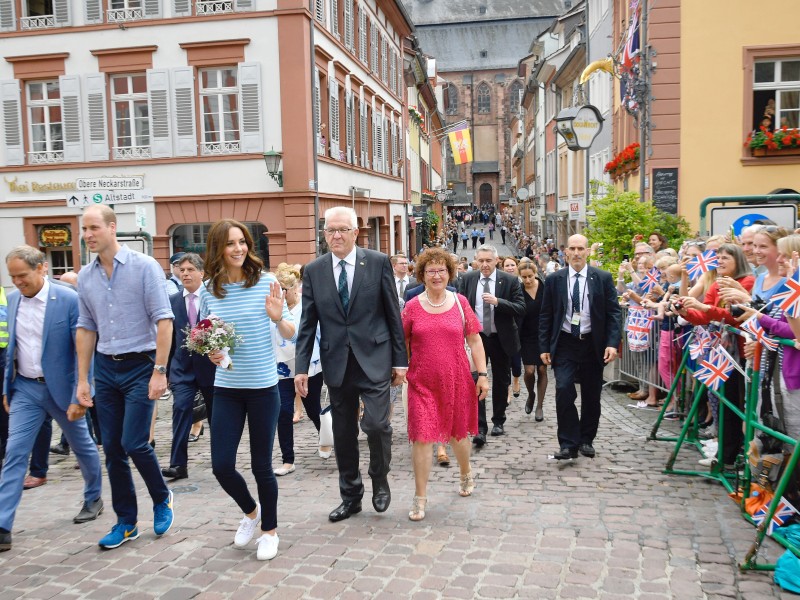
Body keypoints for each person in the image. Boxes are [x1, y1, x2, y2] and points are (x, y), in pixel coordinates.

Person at [295, 206, 407, 523]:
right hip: (337, 364)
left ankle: (379, 477)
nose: (337, 235)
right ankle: (350, 496)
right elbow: (307, 325)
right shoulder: (314, 271)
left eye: (343, 229)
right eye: (331, 230)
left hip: (374, 358)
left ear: (356, 232)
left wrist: (401, 361)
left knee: (375, 424)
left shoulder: (376, 263)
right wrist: (301, 367)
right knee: (343, 434)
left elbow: (392, 315)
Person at [76, 205, 175, 550]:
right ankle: (126, 522)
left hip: (140, 364)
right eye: (84, 229)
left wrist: (159, 371)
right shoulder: (85, 276)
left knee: (134, 442)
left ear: (112, 227)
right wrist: (83, 379)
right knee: (113, 449)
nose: (87, 235)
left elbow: (164, 321)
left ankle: (161, 497)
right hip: (105, 368)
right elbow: (86, 328)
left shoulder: (144, 267)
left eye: (93, 227)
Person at [198, 219, 294, 561]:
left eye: (242, 242)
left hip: (263, 388)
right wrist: (212, 351)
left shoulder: (266, 282)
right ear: (218, 249)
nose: (238, 248)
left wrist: (277, 317)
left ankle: (270, 530)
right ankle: (251, 513)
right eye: (230, 243)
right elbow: (209, 334)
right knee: (221, 465)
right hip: (226, 388)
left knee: (261, 466)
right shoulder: (210, 289)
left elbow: (290, 334)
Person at [0, 246, 104, 553]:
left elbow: (83, 351)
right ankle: (3, 524)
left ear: (41, 268)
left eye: (23, 275)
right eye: (13, 276)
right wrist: (7, 388)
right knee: (16, 453)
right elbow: (11, 348)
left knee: (82, 446)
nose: (18, 282)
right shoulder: (13, 299)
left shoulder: (69, 300)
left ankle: (93, 497)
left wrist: (80, 395)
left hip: (63, 390)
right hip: (26, 389)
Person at [401, 248, 488, 520]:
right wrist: (402, 370)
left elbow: (474, 340)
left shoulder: (460, 302)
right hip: (421, 382)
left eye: (441, 270)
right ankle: (420, 497)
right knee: (422, 438)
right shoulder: (412, 306)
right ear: (422, 275)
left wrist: (483, 375)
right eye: (431, 271)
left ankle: (465, 472)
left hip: (456, 379)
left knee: (458, 435)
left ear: (450, 273)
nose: (436, 275)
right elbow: (402, 342)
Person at [539, 234, 621, 460]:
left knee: (591, 395)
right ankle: (568, 442)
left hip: (592, 343)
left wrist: (612, 343)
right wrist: (544, 346)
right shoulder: (555, 279)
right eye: (572, 248)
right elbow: (546, 314)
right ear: (566, 252)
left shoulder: (602, 278)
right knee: (564, 389)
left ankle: (586, 439)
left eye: (580, 249)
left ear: (587, 251)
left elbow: (614, 312)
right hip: (565, 342)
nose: (576, 253)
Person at [458, 244, 525, 445]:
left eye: (489, 260)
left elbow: (521, 308)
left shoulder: (510, 280)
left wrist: (499, 302)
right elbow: (461, 306)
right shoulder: (468, 279)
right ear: (476, 261)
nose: (485, 265)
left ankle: (498, 420)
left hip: (500, 337)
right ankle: (480, 427)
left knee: (501, 379)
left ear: (497, 261)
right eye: (481, 261)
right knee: (477, 378)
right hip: (477, 337)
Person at [162, 253, 216, 481]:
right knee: (181, 410)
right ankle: (178, 465)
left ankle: (221, 462)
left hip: (210, 368)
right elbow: (168, 338)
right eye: (181, 270)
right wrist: (164, 370)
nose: (185, 273)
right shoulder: (173, 301)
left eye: (190, 269)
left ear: (202, 273)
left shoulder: (213, 298)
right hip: (182, 368)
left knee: (217, 416)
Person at [272, 263, 329, 477]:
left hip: (308, 366)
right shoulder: (271, 306)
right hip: (281, 368)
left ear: (295, 288)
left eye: (285, 290)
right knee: (283, 411)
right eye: (279, 290)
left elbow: (301, 336)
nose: (282, 295)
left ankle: (326, 438)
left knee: (313, 408)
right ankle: (288, 459)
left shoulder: (307, 307)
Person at [517, 260, 547, 421]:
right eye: (524, 277)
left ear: (535, 274)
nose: (527, 280)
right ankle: (531, 394)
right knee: (529, 371)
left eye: (530, 276)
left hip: (543, 334)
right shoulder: (519, 290)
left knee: (542, 369)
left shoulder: (545, 288)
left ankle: (540, 406)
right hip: (526, 335)